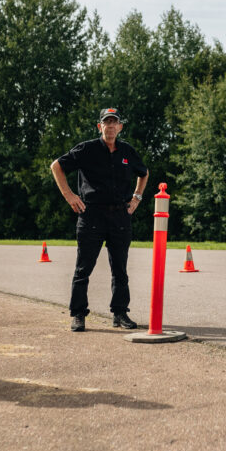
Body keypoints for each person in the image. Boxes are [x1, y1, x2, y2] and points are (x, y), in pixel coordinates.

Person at [51, 107, 148, 332]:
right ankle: (78, 314)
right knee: (83, 268)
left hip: (120, 216)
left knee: (120, 269)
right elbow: (56, 166)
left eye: (115, 122)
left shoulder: (127, 151)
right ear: (100, 126)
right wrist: (69, 195)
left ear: (120, 127)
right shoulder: (87, 149)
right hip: (92, 215)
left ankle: (120, 313)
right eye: (107, 122)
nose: (111, 126)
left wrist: (136, 198)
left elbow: (144, 173)